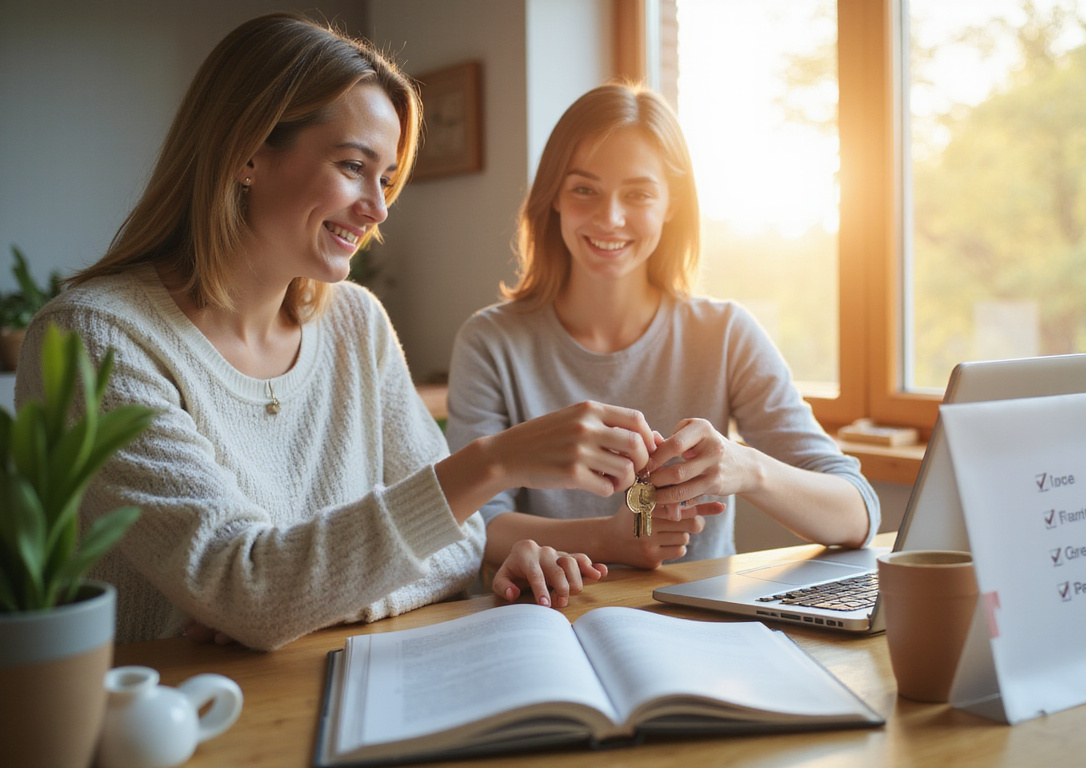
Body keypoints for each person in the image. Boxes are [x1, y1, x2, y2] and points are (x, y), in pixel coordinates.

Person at [15, 14, 654, 651]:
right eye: (353, 166)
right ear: (246, 153)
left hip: (340, 693)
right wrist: (490, 463)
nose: (378, 208)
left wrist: (292, 604)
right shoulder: (93, 341)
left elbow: (458, 547)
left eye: (386, 179)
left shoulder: (355, 322)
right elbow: (252, 591)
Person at [447, 82, 880, 571]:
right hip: (548, 620)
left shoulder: (725, 334)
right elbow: (468, 525)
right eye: (584, 189)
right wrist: (607, 539)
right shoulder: (490, 342)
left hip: (697, 619)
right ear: (555, 198)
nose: (609, 218)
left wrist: (747, 468)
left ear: (671, 204)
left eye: (637, 194)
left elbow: (858, 511)